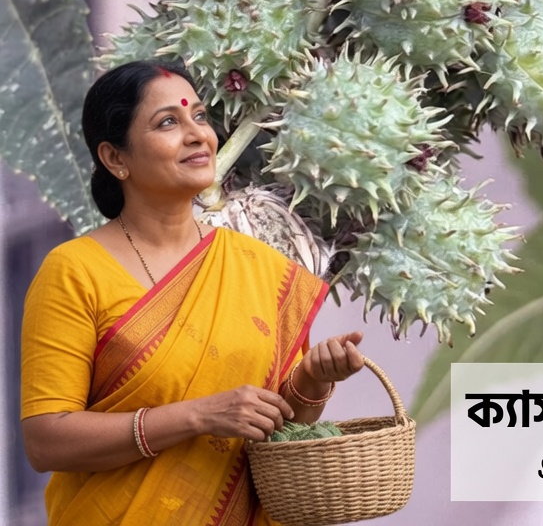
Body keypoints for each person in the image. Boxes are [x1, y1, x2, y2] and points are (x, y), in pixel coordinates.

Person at [20, 59, 365, 526]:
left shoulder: (258, 266)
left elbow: (281, 433)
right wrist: (196, 416)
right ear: (114, 158)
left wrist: (312, 381)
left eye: (200, 117)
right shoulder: (75, 271)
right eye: (168, 122)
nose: (197, 134)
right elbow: (46, 441)